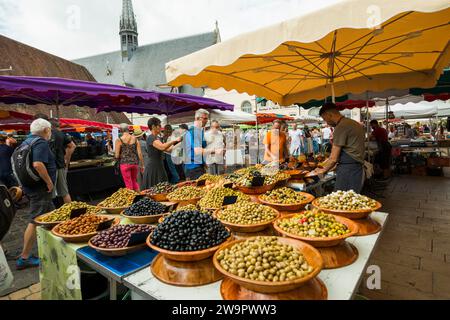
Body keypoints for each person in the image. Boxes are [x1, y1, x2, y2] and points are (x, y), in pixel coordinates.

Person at [17, 118, 56, 270]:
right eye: (50, 130)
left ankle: (55, 248)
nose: (50, 133)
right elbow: (37, 164)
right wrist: (49, 182)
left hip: (31, 187)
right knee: (35, 220)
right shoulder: (40, 142)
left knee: (52, 217)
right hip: (40, 189)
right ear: (46, 130)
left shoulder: (26, 142)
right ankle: (24, 257)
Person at [316, 103, 365, 193]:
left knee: (342, 200)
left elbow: (333, 158)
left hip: (348, 170)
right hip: (356, 168)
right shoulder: (352, 123)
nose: (326, 122)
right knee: (352, 199)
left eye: (324, 119)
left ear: (329, 115)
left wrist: (323, 170)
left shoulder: (341, 126)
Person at [141, 118, 181, 188]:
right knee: (155, 189)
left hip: (159, 166)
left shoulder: (157, 138)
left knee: (162, 188)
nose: (160, 127)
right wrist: (174, 141)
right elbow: (162, 147)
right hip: (153, 168)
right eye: (159, 125)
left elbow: (168, 150)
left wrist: (178, 143)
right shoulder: (151, 138)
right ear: (153, 126)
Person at [48, 118, 76, 204]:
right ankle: (70, 212)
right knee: (64, 192)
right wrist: (66, 160)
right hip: (60, 164)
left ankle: (51, 215)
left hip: (51, 166)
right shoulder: (62, 134)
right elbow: (73, 146)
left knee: (49, 193)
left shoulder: (48, 134)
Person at [114, 124, 144, 191]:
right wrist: (142, 165)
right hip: (134, 163)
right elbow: (139, 153)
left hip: (124, 164)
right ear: (128, 129)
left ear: (121, 130)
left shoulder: (119, 140)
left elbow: (117, 155)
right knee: (134, 182)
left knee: (128, 184)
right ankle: (139, 199)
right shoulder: (135, 139)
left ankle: (132, 200)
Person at [183, 109, 210, 180]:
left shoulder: (199, 131)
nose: (206, 121)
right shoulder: (193, 132)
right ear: (197, 119)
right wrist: (215, 151)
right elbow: (198, 151)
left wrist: (203, 163)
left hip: (198, 166)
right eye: (204, 118)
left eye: (207, 118)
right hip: (193, 168)